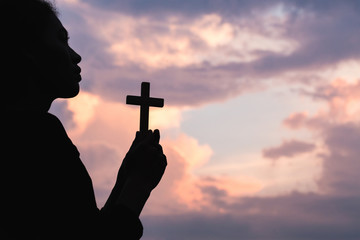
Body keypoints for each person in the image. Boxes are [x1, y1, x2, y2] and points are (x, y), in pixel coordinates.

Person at [1, 0, 167, 239]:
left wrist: (126, 179)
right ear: (27, 50)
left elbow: (87, 227)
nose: (76, 56)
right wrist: (138, 185)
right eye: (61, 40)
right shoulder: (37, 136)